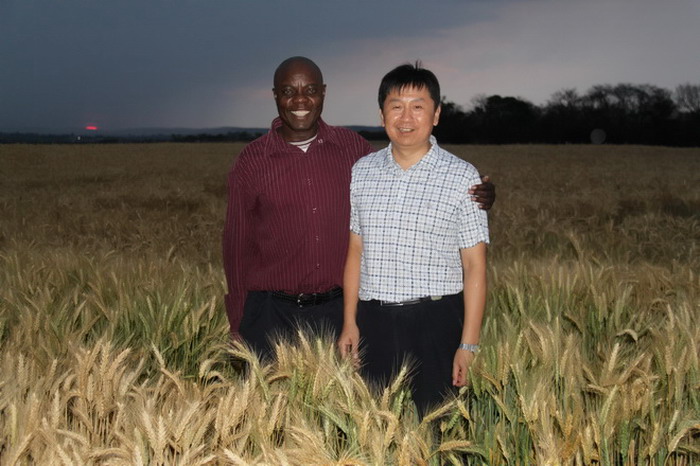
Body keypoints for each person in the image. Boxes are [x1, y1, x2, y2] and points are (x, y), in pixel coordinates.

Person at [223, 56, 494, 360]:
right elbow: (236, 247)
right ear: (275, 96)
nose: (300, 100)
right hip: (269, 314)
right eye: (288, 92)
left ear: (323, 93)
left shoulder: (352, 149)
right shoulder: (251, 161)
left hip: (338, 313)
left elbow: (402, 166)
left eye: (310, 90)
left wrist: (478, 191)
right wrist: (238, 322)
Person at [337, 62, 488, 417]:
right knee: (371, 425)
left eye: (418, 106)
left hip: (436, 320)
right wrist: (350, 321)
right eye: (396, 106)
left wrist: (468, 344)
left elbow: (475, 266)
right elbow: (356, 251)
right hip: (374, 319)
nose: (406, 117)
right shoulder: (362, 172)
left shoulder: (462, 177)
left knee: (436, 425)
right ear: (381, 114)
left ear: (436, 114)